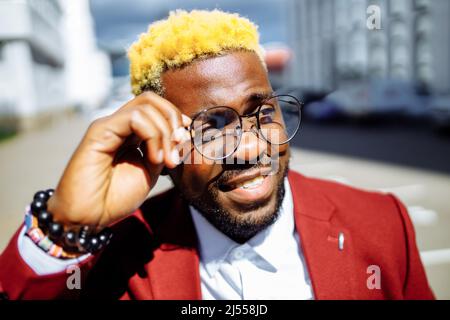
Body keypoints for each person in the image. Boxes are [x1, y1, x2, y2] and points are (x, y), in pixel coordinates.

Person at [0, 9, 434, 300]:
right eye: (212, 127)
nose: (249, 148)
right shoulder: (111, 255)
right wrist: (66, 226)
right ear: (160, 145)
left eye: (262, 112)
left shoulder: (381, 223)